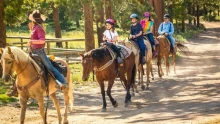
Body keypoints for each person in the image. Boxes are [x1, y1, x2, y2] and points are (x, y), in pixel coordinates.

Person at [28, 10, 68, 88]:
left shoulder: (38, 28)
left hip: (39, 52)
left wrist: (31, 41)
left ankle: (63, 82)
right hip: (33, 51)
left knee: (50, 67)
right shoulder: (35, 27)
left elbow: (42, 40)